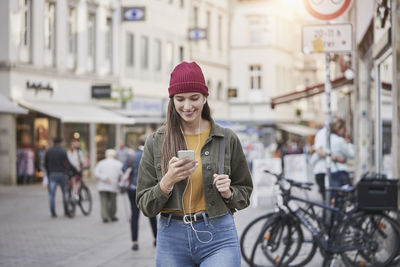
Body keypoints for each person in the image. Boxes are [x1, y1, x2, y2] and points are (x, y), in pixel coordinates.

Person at [136, 61, 253, 266]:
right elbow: (145, 205)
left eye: (194, 98)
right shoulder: (156, 141)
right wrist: (167, 181)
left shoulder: (226, 138)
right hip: (171, 237)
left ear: (205, 98)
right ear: (172, 100)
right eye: (180, 99)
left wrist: (229, 193)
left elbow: (244, 191)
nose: (187, 106)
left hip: (219, 235)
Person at [122, 135, 157, 251]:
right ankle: (156, 239)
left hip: (133, 188)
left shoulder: (131, 156)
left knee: (134, 215)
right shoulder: (151, 154)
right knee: (151, 214)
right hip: (148, 189)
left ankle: (135, 241)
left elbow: (123, 169)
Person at [44, 137, 77, 218]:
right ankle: (66, 210)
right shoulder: (63, 151)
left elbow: (45, 164)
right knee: (65, 193)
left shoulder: (49, 151)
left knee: (52, 195)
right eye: (63, 142)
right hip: (62, 175)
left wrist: (48, 174)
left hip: (52, 175)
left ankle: (53, 212)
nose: (64, 144)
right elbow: (68, 163)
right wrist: (75, 170)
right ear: (60, 143)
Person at [94, 149, 123, 223]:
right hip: (113, 185)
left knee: (104, 201)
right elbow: (121, 175)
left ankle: (105, 217)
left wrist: (104, 178)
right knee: (113, 202)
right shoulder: (118, 163)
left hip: (102, 185)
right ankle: (112, 216)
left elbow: (96, 172)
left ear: (106, 155)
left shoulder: (101, 162)